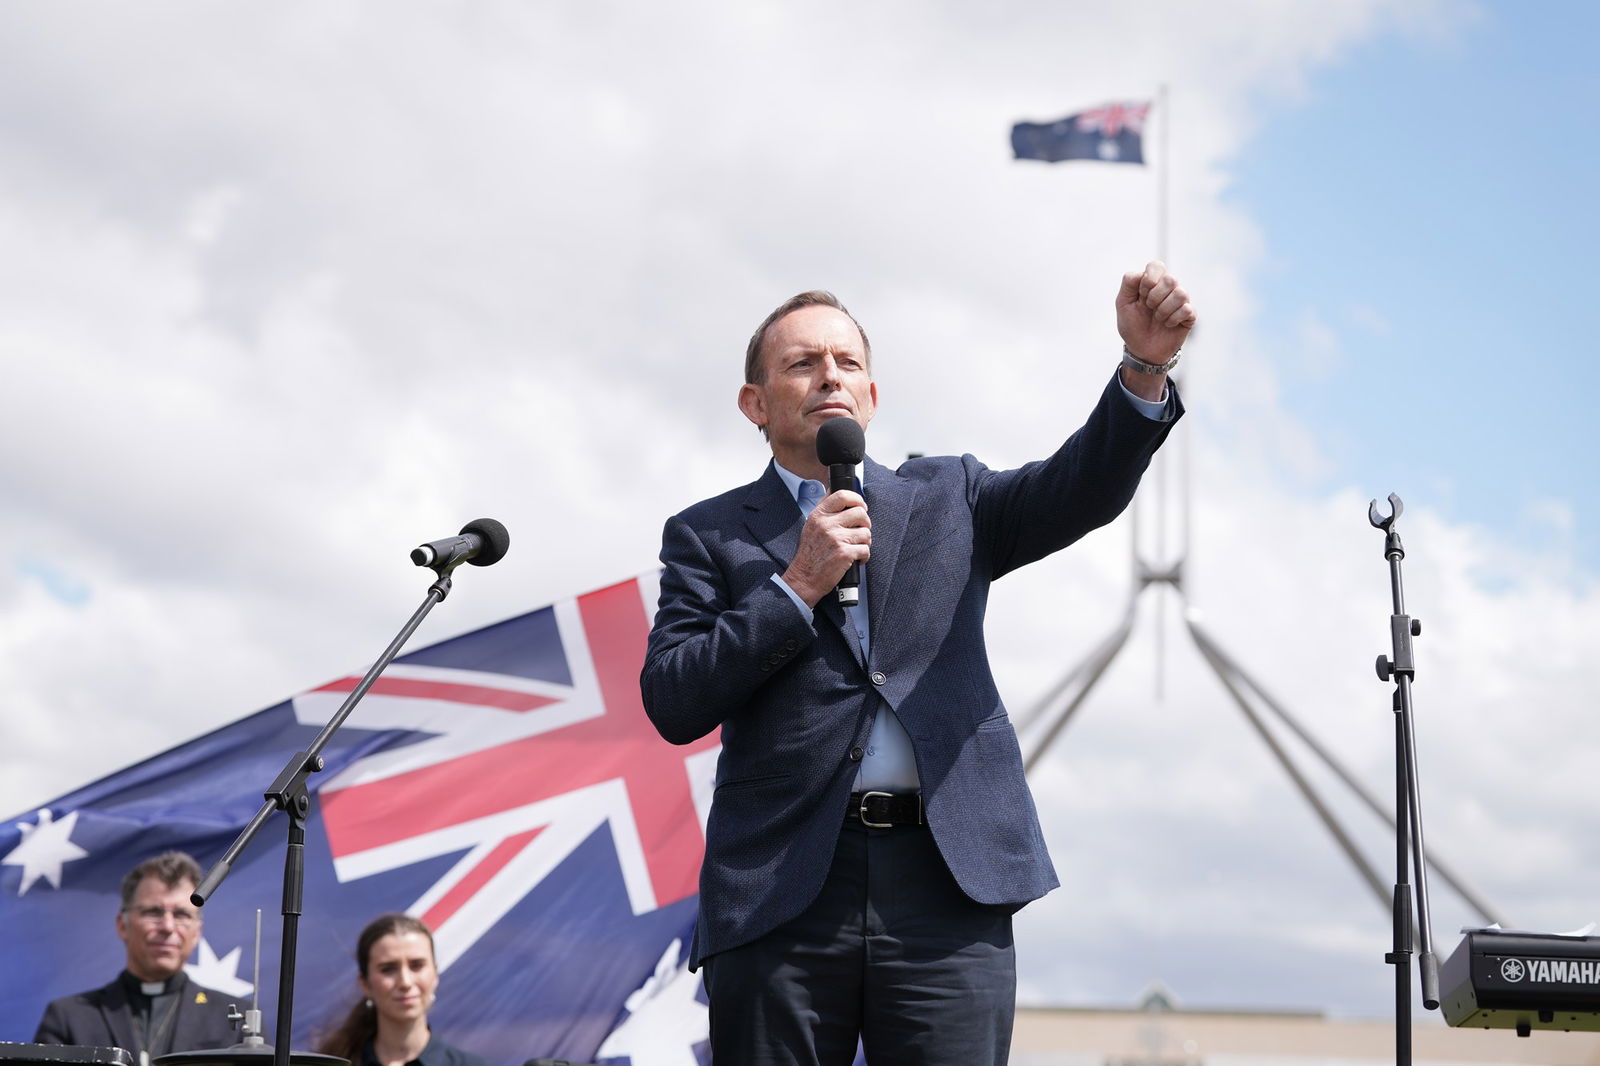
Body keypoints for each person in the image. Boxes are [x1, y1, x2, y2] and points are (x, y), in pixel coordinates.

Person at [640, 263, 1195, 1066]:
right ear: (755, 406)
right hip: (783, 889)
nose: (830, 374)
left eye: (848, 362)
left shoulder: (951, 497)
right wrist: (797, 586)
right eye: (802, 363)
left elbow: (1080, 489)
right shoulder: (708, 535)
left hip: (946, 884)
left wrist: (1144, 369)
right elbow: (673, 699)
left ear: (871, 396)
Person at [33, 851, 238, 1062]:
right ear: (123, 925)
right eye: (153, 912)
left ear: (197, 932)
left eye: (181, 915)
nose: (168, 927)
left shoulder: (234, 1018)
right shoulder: (70, 1017)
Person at [316, 914, 487, 1066]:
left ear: (435, 974)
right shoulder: (333, 1064)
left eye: (417, 966)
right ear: (365, 983)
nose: (405, 982)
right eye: (388, 969)